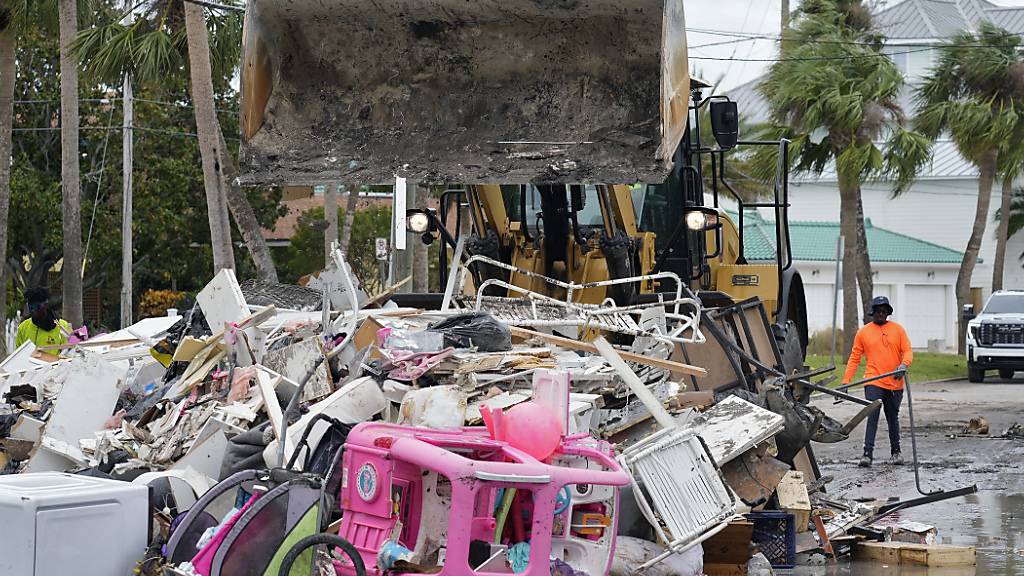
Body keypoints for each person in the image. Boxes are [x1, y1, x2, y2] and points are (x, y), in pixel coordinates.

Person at [842, 296, 913, 468]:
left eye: (884, 311)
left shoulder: (898, 330)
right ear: (872, 312)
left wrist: (903, 365)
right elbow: (854, 358)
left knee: (892, 417)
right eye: (878, 311)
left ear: (888, 312)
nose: (881, 314)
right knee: (872, 415)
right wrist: (846, 381)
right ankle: (867, 454)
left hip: (895, 382)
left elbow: (908, 351)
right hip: (873, 381)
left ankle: (896, 452)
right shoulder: (863, 332)